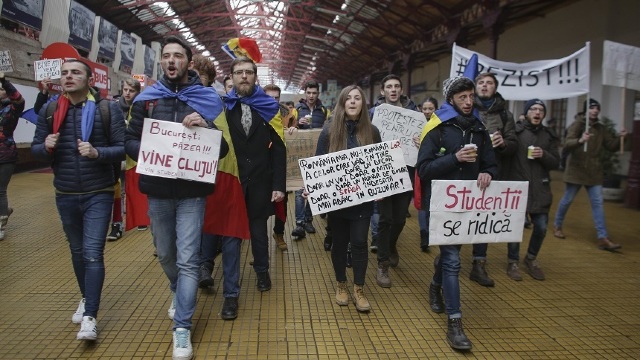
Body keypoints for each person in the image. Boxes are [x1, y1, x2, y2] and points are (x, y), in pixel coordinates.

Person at [125, 35, 229, 360]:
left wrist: (207, 127)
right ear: (161, 62)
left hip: (192, 193)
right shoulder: (146, 99)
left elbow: (222, 148)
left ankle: (182, 326)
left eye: (177, 56)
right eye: (166, 56)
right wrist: (152, 148)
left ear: (188, 62)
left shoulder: (207, 99)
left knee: (188, 260)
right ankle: (176, 290)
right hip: (157, 190)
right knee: (165, 253)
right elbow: (129, 140)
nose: (171, 61)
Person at [31, 60, 125, 340]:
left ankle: (90, 316)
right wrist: (44, 146)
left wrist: (98, 153)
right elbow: (37, 149)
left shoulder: (107, 109)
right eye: (65, 73)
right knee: (76, 250)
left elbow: (121, 149)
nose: (69, 77)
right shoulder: (50, 110)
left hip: (99, 191)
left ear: (89, 79)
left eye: (75, 72)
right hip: (66, 193)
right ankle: (86, 297)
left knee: (93, 253)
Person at [417, 76, 497, 351]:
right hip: (441, 206)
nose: (468, 101)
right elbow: (424, 169)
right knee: (453, 260)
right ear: (451, 99)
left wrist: (487, 172)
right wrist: (455, 158)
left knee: (448, 255)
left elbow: (491, 164)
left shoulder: (479, 129)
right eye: (462, 97)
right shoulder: (437, 127)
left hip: (468, 206)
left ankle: (434, 285)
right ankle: (455, 322)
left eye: (471, 96)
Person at [205, 56, 286, 321]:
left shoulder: (269, 109)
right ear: (232, 76)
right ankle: (231, 295)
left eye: (248, 72)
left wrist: (278, 186)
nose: (243, 76)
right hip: (231, 182)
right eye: (238, 72)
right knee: (230, 239)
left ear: (255, 77)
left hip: (261, 182)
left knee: (258, 233)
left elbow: (279, 151)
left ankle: (262, 271)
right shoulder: (221, 109)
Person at [315, 85, 380, 312]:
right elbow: (318, 165)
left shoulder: (372, 132)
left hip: (362, 202)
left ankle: (359, 288)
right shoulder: (329, 132)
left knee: (360, 242)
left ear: (363, 103)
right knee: (340, 243)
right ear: (342, 104)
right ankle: (341, 283)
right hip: (338, 202)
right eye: (348, 99)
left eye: (357, 98)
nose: (353, 102)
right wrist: (313, 189)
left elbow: (380, 167)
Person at [466, 72, 518, 287]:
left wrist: (503, 143)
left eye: (489, 83)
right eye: (481, 83)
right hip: (466, 170)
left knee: (483, 219)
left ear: (495, 88)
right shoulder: (468, 108)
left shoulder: (505, 115)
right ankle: (448, 257)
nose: (485, 86)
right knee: (461, 214)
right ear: (475, 87)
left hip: (492, 171)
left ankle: (479, 262)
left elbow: (514, 144)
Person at [553, 99, 626, 251]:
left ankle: (602, 237)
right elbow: (567, 143)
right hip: (576, 170)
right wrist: (580, 140)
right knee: (567, 199)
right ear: (586, 110)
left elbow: (611, 146)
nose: (594, 110)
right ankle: (557, 226)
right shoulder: (578, 124)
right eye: (591, 108)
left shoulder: (601, 128)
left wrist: (621, 137)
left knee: (598, 203)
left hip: (594, 172)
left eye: (597, 108)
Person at [367, 74, 419, 288]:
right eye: (389, 86)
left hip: (406, 171)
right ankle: (383, 264)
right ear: (383, 91)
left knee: (400, 219)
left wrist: (420, 140)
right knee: (385, 219)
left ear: (401, 89)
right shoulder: (373, 114)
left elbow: (425, 139)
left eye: (397, 86)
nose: (393, 90)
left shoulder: (414, 114)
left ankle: (390, 244)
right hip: (383, 172)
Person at [506, 99, 560, 281]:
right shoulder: (516, 131)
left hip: (540, 188)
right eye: (533, 109)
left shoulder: (548, 136)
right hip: (518, 186)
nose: (537, 113)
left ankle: (531, 258)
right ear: (527, 112)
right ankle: (512, 261)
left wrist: (543, 155)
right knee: (515, 228)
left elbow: (556, 162)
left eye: (541, 110)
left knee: (542, 227)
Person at [291, 80, 330, 239]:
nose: (311, 96)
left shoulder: (325, 111)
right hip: (300, 155)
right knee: (299, 190)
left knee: (314, 190)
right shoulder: (296, 110)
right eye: (309, 93)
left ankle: (308, 219)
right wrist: (297, 125)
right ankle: (299, 223)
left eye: (314, 93)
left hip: (318, 155)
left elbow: (329, 129)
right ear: (304, 93)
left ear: (318, 94)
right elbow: (289, 129)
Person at [107, 77, 141, 241]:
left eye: (132, 91)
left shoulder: (140, 108)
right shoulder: (112, 108)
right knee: (118, 190)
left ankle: (140, 215)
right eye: (126, 90)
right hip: (118, 154)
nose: (127, 93)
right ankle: (117, 224)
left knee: (134, 187)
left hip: (135, 156)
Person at [264, 83, 296, 252]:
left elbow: (297, 132)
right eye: (269, 97)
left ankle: (279, 233)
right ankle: (259, 239)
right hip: (261, 165)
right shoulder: (257, 111)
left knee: (281, 202)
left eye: (276, 98)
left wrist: (293, 130)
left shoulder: (287, 114)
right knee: (260, 203)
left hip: (280, 163)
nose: (273, 101)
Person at [0, 73, 25, 240]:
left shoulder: (12, 108)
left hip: (6, 155)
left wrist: (4, 80)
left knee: (0, 191)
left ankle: (1, 224)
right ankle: (5, 211)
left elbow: (19, 98)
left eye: (1, 89)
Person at [415, 97, 438, 252]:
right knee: (421, 200)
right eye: (425, 109)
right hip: (420, 168)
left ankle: (430, 230)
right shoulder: (415, 125)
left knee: (432, 201)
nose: (428, 112)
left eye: (431, 109)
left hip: (436, 168)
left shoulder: (441, 126)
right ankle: (424, 233)